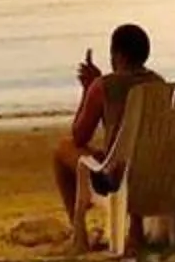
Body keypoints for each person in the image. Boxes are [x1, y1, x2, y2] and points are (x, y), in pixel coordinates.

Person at [53, 22, 161, 229]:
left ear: (118, 54)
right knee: (118, 154)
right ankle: (135, 230)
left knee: (62, 149)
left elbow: (80, 137)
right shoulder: (158, 84)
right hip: (155, 174)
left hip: (117, 179)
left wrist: (87, 90)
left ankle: (78, 230)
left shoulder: (103, 86)